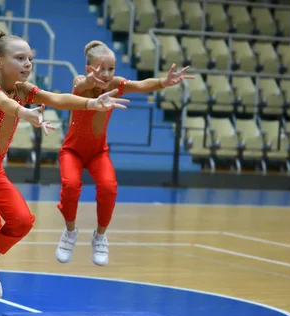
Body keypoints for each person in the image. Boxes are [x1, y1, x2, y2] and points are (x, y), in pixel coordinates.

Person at [0, 31, 130, 307]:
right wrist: (26, 113)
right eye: (19, 58)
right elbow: (4, 104)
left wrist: (91, 103)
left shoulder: (24, 89)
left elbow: (56, 99)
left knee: (22, 222)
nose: (27, 63)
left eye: (30, 58)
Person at [55, 40, 194, 267]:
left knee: (109, 188)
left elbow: (141, 85)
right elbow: (80, 85)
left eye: (112, 69)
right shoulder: (79, 83)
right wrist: (90, 80)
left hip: (99, 152)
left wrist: (163, 82)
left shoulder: (116, 84)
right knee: (70, 186)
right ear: (90, 69)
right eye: (103, 69)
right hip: (72, 151)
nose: (109, 73)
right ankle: (70, 232)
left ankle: (100, 236)